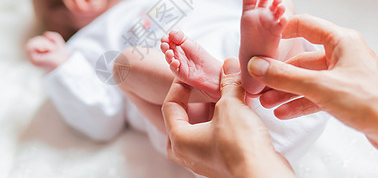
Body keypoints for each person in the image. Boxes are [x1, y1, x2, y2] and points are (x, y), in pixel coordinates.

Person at [25, 0, 326, 167]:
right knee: (125, 64)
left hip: (286, 95)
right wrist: (64, 68)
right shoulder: (94, 39)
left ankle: (253, 72)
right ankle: (214, 87)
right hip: (205, 126)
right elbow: (102, 119)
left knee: (274, 2)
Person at [162, 14, 378, 177]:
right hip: (286, 118)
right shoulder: (127, 13)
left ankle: (241, 76)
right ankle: (252, 71)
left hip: (220, 146)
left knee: (136, 66)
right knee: (283, 15)